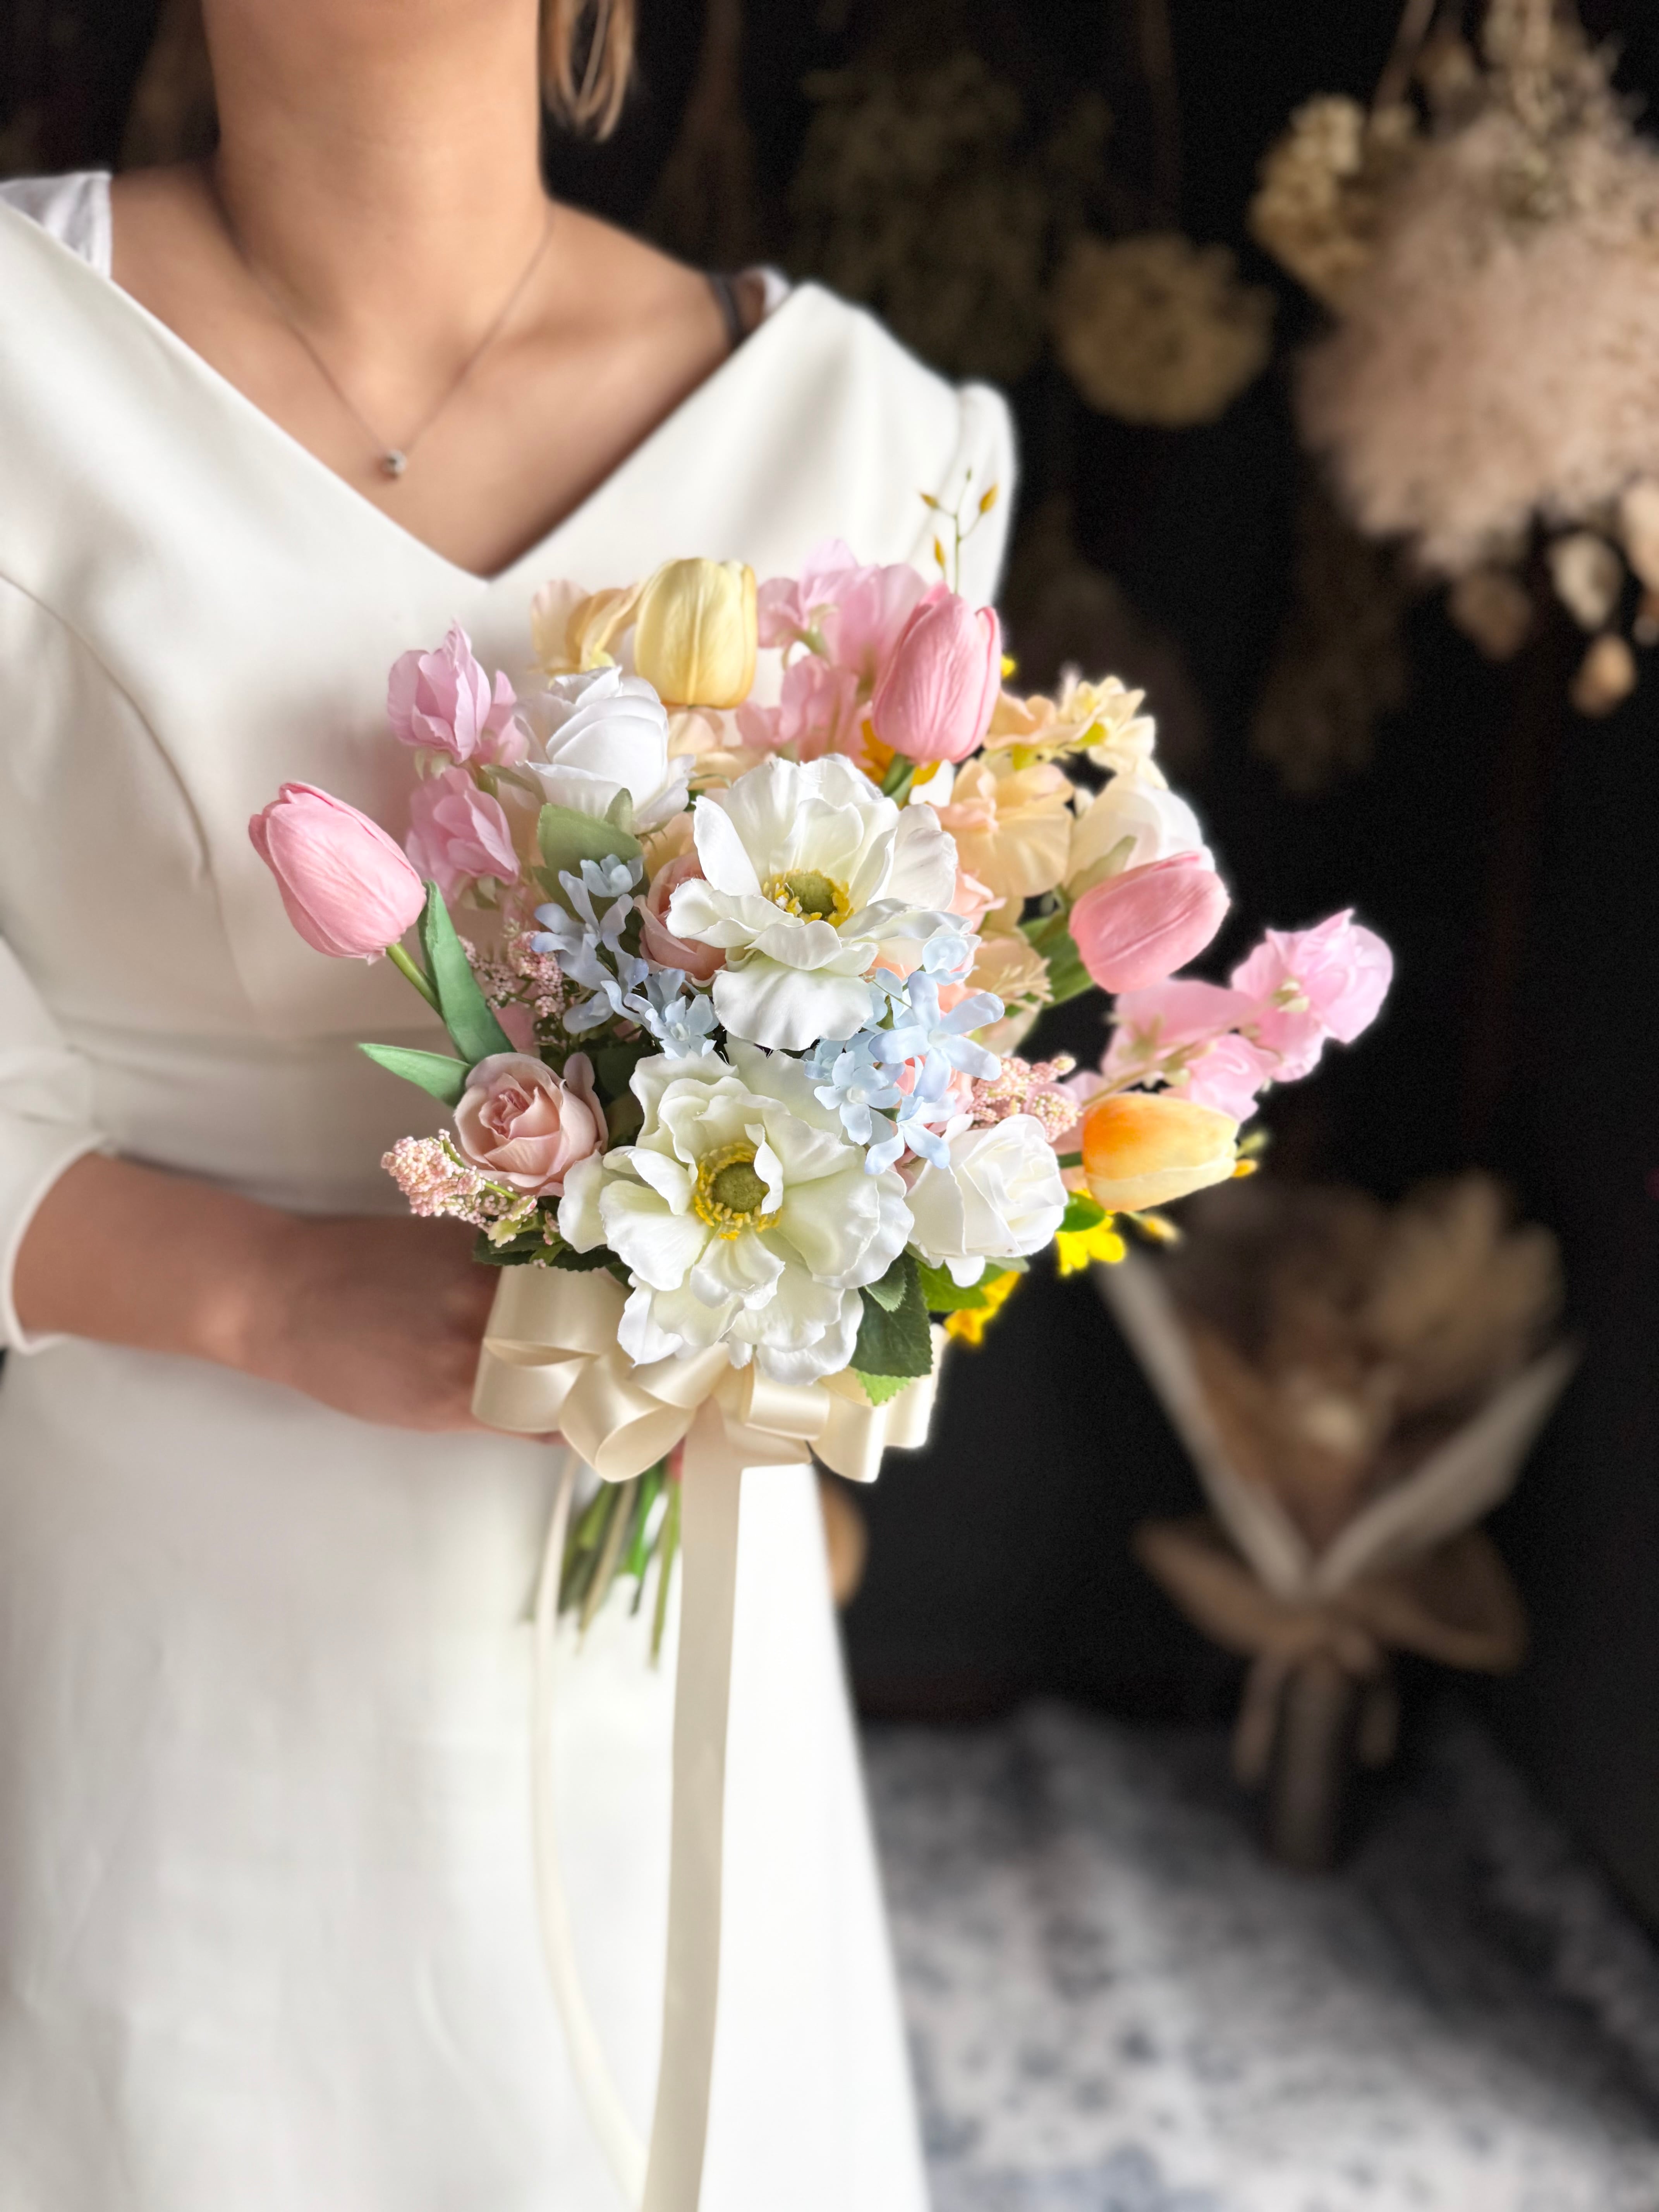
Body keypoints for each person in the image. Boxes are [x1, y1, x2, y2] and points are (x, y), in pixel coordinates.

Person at [0, 2, 1012, 2205]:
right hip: (159, 1632)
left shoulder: (880, 442)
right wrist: (260, 1293)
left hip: (665, 1665)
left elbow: (949, 1046)